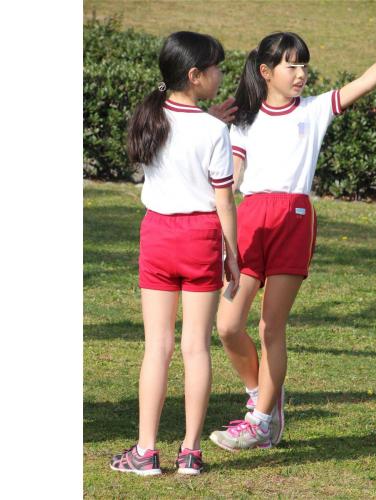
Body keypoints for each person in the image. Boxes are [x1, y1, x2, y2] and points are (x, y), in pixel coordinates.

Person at [209, 27, 376, 451]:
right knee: (228, 326)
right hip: (251, 220)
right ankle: (262, 395)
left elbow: (367, 81)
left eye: (304, 65)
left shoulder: (316, 109)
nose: (301, 74)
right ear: (266, 71)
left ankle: (261, 421)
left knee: (270, 327)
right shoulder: (244, 119)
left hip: (294, 219)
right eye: (291, 66)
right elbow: (231, 178)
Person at [109, 31, 240, 476]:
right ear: (195, 75)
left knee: (157, 347)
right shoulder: (214, 130)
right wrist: (233, 255)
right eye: (216, 67)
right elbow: (224, 201)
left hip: (158, 235)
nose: (220, 74)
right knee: (196, 347)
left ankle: (146, 452)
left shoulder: (148, 117)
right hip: (201, 237)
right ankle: (190, 452)